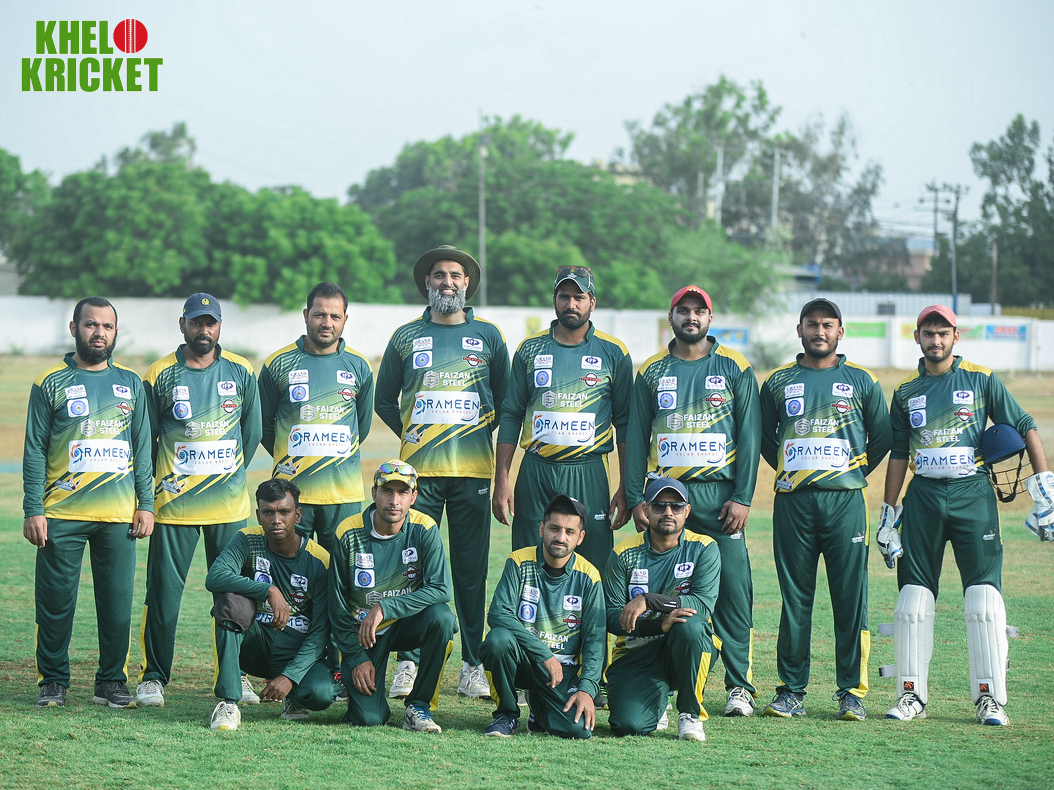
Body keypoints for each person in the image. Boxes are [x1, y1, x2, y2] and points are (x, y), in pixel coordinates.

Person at [879, 305, 1052, 726]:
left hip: (972, 494)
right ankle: (910, 696)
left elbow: (1025, 425)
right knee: (912, 600)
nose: (936, 340)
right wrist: (888, 512)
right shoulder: (905, 391)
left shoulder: (980, 378)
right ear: (917, 337)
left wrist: (1045, 489)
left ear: (956, 336)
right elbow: (899, 452)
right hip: (923, 497)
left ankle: (989, 699)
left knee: (983, 600)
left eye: (943, 333)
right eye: (928, 333)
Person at [375, 245, 509, 700]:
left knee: (470, 573)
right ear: (427, 283)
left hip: (473, 473)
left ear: (467, 284)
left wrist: (477, 431)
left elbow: (506, 401)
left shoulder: (488, 335)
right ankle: (408, 662)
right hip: (417, 479)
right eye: (438, 275)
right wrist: (415, 432)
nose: (447, 282)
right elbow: (383, 400)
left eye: (455, 275)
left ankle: (472, 664)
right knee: (411, 570)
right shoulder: (406, 336)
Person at [624, 285, 761, 717]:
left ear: (710, 318)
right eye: (682, 310)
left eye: (699, 311)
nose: (691, 317)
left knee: (733, 593)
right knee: (663, 590)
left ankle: (740, 687)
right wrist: (635, 497)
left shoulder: (735, 366)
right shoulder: (651, 370)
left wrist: (742, 497)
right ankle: (662, 680)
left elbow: (750, 437)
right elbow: (635, 437)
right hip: (667, 499)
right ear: (671, 317)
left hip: (719, 498)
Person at [759, 298, 891, 721]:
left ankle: (852, 692)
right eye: (812, 324)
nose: (820, 331)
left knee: (850, 599)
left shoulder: (862, 381)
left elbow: (883, 437)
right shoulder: (778, 381)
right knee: (794, 599)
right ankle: (791, 691)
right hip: (793, 503)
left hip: (845, 502)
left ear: (840, 332)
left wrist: (851, 471)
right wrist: (792, 468)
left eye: (828, 324)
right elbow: (763, 438)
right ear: (799, 330)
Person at [23, 297, 154, 708]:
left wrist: (146, 503)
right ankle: (52, 681)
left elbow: (142, 449)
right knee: (55, 604)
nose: (99, 333)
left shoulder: (130, 383)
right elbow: (34, 450)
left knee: (116, 606)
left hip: (118, 515)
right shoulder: (50, 382)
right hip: (61, 513)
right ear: (74, 328)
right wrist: (33, 509)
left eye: (107, 326)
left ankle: (111, 682)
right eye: (91, 325)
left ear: (115, 332)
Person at [137, 293, 263, 708]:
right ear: (183, 325)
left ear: (219, 327)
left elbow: (252, 433)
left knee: (234, 598)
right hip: (175, 507)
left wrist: (225, 475)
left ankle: (236, 674)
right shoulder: (160, 373)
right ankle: (153, 677)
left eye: (210, 323)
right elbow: (147, 438)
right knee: (163, 596)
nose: (203, 330)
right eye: (196, 322)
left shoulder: (241, 370)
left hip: (228, 506)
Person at [259, 281, 374, 681]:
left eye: (334, 316)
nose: (327, 322)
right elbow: (264, 426)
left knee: (343, 585)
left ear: (345, 320)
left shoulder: (359, 366)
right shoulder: (278, 364)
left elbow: (360, 427)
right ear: (306, 315)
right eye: (320, 314)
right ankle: (289, 667)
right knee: (292, 585)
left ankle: (339, 670)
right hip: (291, 500)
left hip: (342, 496)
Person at [493, 265, 633, 572]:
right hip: (536, 470)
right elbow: (512, 414)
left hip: (588, 470)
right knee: (528, 559)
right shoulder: (530, 349)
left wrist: (625, 486)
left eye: (579, 297)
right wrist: (501, 481)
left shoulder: (614, 352)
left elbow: (625, 422)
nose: (571, 304)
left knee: (593, 561)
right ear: (554, 300)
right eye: (564, 296)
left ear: (592, 302)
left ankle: (590, 608)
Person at [329, 460, 457, 732]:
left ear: (414, 496)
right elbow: (336, 606)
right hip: (364, 632)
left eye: (402, 492)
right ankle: (358, 691)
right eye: (387, 491)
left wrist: (385, 607)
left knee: (442, 619)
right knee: (369, 718)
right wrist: (355, 657)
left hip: (405, 625)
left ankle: (418, 706)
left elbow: (440, 589)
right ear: (374, 492)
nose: (394, 500)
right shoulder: (347, 531)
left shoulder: (425, 527)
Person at [205, 479, 339, 731]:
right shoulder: (247, 539)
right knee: (230, 603)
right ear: (259, 515)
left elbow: (321, 629)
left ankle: (293, 697)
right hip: (254, 643)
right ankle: (229, 702)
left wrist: (290, 676)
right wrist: (268, 590)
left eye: (284, 512)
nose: (276, 520)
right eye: (268, 512)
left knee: (321, 693)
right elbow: (215, 577)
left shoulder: (320, 560)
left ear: (297, 515)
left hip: (294, 648)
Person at [603, 477, 721, 742]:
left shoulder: (704, 547)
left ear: (686, 511)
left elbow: (702, 605)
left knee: (691, 626)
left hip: (685, 646)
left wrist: (650, 600)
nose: (668, 512)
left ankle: (689, 714)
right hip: (635, 651)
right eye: (659, 506)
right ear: (645, 509)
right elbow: (610, 616)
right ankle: (657, 699)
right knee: (628, 725)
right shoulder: (623, 553)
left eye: (676, 506)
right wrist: (658, 625)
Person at [480, 494, 604, 738]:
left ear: (580, 537)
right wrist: (543, 653)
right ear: (541, 529)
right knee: (497, 641)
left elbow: (595, 640)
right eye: (554, 528)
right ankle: (507, 714)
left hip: (563, 670)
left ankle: (539, 706)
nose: (560, 537)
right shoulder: (518, 561)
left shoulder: (589, 576)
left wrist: (587, 689)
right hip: (524, 659)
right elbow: (498, 614)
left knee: (578, 729)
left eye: (569, 531)